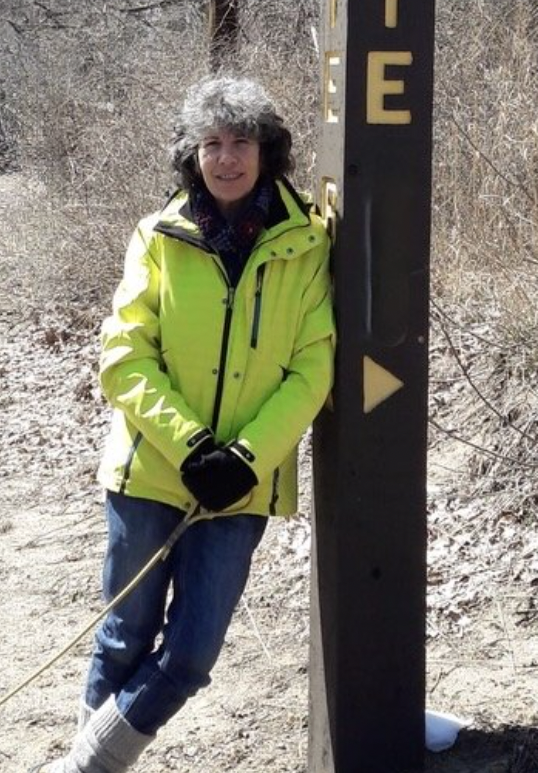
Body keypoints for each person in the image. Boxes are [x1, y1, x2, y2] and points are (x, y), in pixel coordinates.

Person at [33, 75, 335, 773]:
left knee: (192, 653)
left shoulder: (308, 244)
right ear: (190, 155)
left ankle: (84, 766)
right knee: (124, 635)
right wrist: (192, 445)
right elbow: (123, 355)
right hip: (150, 474)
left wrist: (245, 457)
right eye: (211, 144)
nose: (226, 158)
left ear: (268, 150)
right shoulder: (157, 237)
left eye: (241, 142)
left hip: (241, 490)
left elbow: (311, 369)